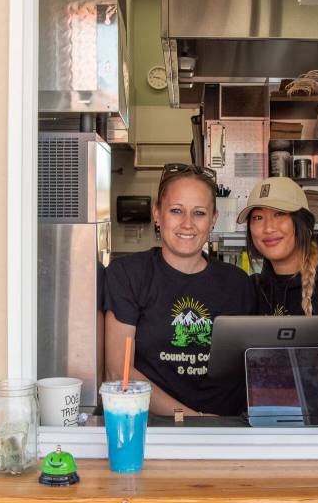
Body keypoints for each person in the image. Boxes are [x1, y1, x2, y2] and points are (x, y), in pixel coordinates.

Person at [104, 163, 254, 416]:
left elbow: (249, 368)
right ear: (157, 213)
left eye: (199, 213)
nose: (187, 224)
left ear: (213, 219)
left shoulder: (238, 283)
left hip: (227, 429)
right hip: (154, 427)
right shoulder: (128, 275)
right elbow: (118, 371)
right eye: (176, 211)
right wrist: (192, 419)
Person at [237, 176, 318, 316]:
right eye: (258, 218)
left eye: (279, 214)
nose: (268, 228)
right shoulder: (252, 290)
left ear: (303, 222)